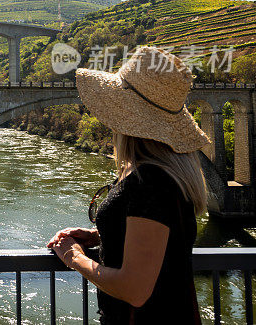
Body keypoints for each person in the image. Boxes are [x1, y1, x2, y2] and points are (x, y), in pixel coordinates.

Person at [47, 46, 209, 324]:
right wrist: (101, 236)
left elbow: (135, 289)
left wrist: (73, 257)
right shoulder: (161, 176)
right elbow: (159, 237)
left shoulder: (151, 183)